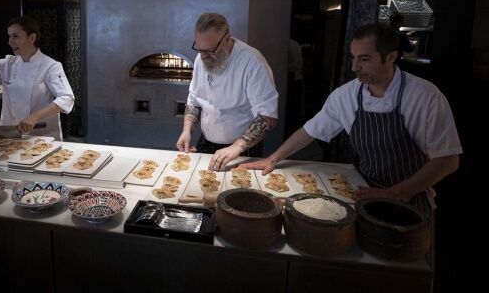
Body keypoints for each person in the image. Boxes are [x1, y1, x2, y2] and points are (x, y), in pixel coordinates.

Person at [244, 22, 461, 214]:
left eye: (364, 59)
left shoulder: (425, 96)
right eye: (353, 57)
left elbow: (448, 160)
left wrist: (395, 193)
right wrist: (273, 158)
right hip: (364, 190)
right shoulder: (346, 95)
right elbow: (310, 131)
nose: (354, 67)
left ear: (391, 57)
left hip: (411, 198)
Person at [176, 13, 279, 171]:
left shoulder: (252, 62)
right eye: (199, 49)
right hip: (207, 141)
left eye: (210, 50)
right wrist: (186, 130)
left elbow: (268, 116)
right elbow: (194, 100)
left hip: (242, 148)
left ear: (226, 39)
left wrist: (236, 147)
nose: (204, 56)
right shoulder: (201, 58)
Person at [0, 16, 74, 140]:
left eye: (15, 36)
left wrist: (34, 117)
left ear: (32, 38)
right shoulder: (7, 64)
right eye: (9, 36)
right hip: (8, 134)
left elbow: (67, 98)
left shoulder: (50, 66)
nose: (10, 42)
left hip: (41, 135)